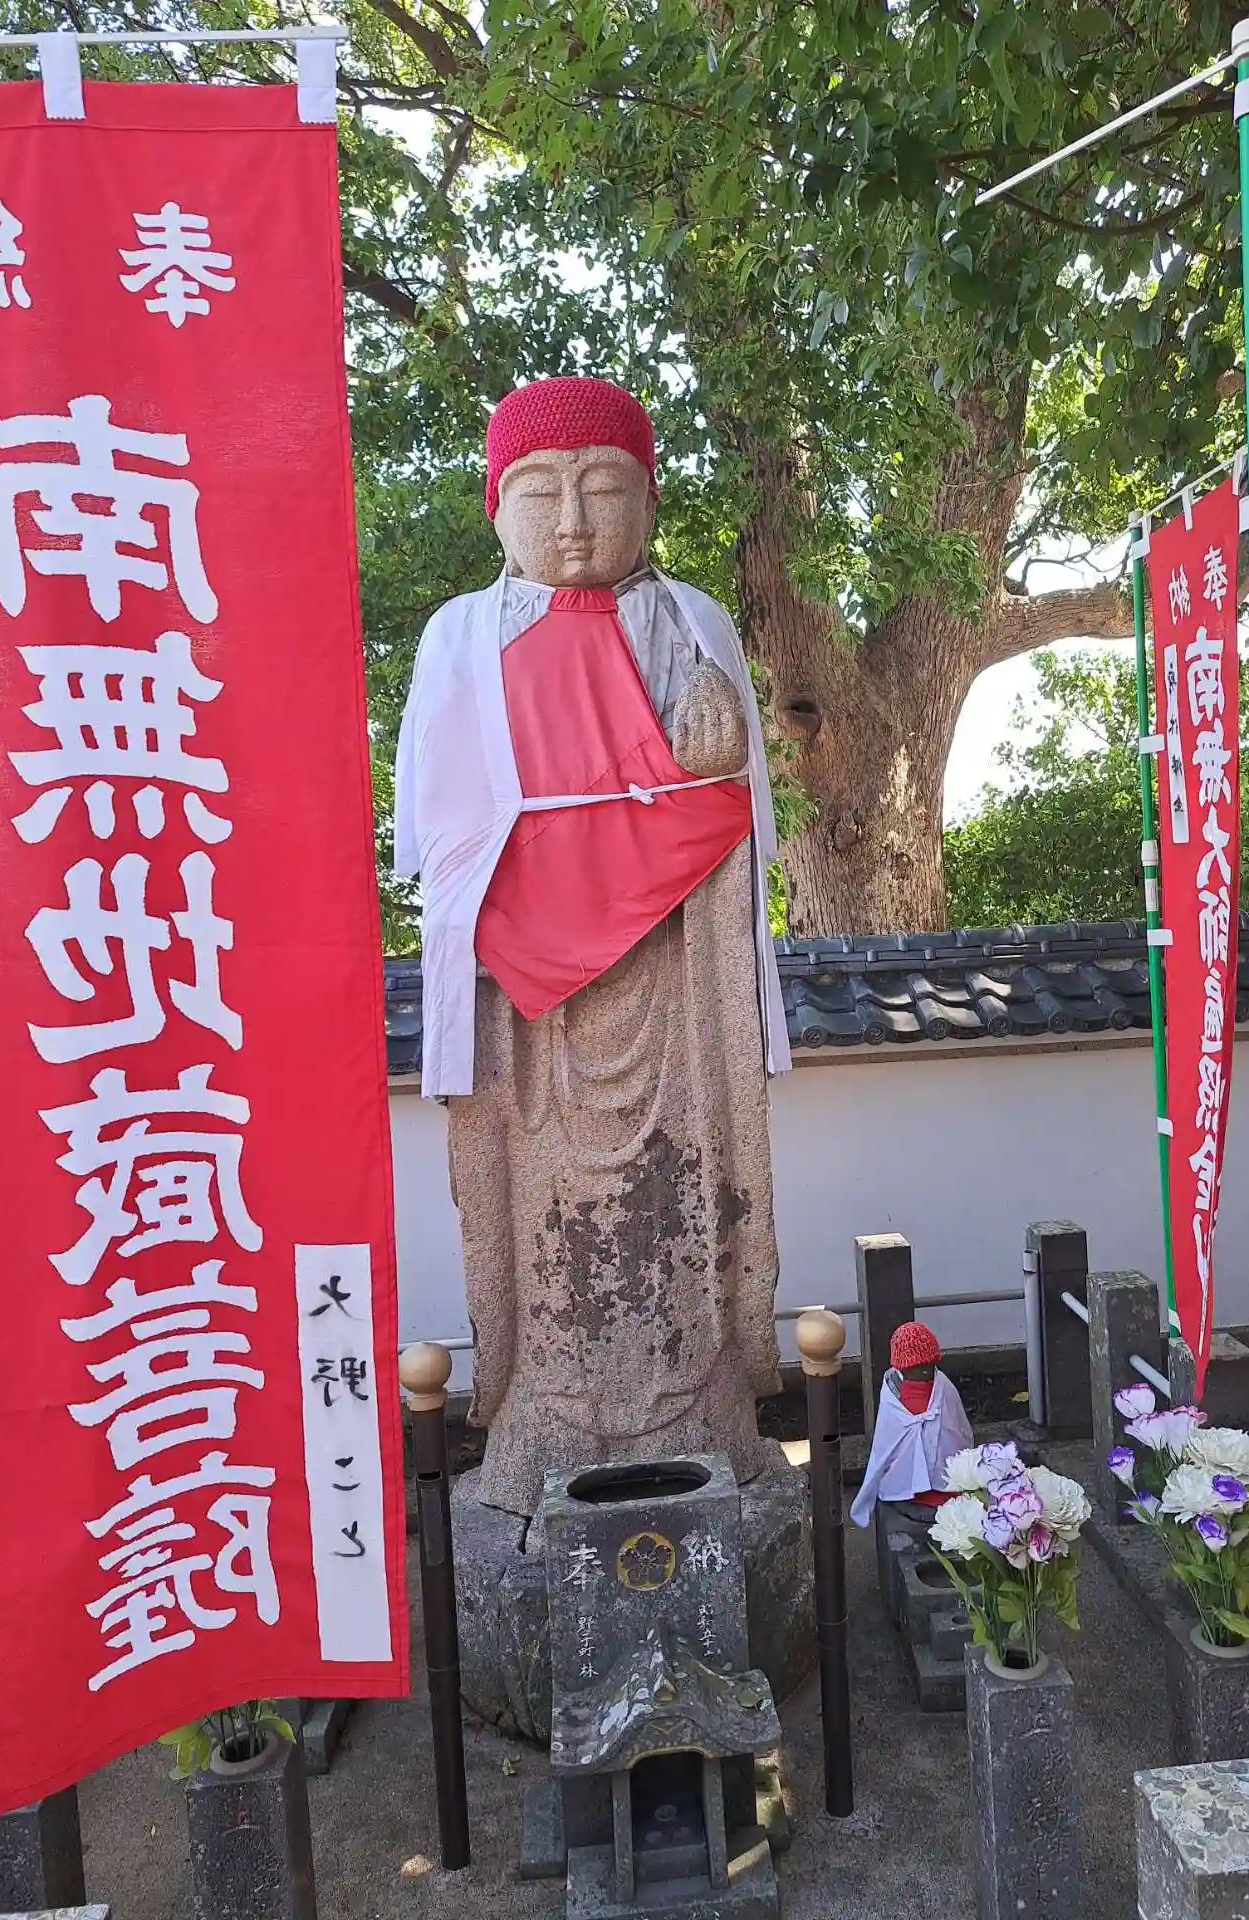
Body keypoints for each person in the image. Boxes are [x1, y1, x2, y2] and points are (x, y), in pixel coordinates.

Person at [394, 376, 789, 1517]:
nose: (573, 522)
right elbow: (436, 828)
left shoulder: (695, 623)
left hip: (673, 967)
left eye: (604, 488)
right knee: (541, 1182)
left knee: (681, 1178)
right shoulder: (462, 636)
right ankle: (547, 1403)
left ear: (648, 501)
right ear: (496, 508)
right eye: (540, 492)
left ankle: (702, 1400)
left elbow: (742, 825)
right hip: (528, 990)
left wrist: (709, 771)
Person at [850, 1321, 974, 1528]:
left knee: (948, 1469)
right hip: (905, 1461)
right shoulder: (892, 1397)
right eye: (917, 1367)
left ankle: (941, 1489)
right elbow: (886, 1440)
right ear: (901, 1367)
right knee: (905, 1468)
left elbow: (957, 1423)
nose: (924, 1371)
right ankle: (911, 1493)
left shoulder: (943, 1386)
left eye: (929, 1365)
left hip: (942, 1456)